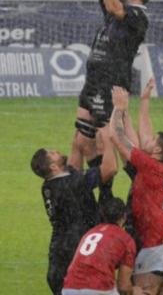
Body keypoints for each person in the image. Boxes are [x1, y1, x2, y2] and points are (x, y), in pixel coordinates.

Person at [69, 0, 153, 202]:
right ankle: (92, 201)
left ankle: (142, 188)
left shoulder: (137, 15)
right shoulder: (114, 6)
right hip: (93, 83)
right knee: (83, 142)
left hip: (110, 85)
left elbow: (115, 6)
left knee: (108, 141)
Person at [109, 86, 163, 295]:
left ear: (158, 150)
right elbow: (144, 134)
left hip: (156, 242)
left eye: (151, 142)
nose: (145, 142)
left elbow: (116, 136)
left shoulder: (150, 167)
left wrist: (118, 107)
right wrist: (144, 101)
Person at [31, 126, 118, 295]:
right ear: (54, 167)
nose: (56, 150)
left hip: (59, 263)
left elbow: (73, 165)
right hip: (74, 266)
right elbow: (110, 168)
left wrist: (78, 137)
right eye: (52, 153)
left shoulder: (49, 185)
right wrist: (108, 139)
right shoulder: (73, 184)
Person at [62, 198, 149, 295]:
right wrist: (134, 291)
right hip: (98, 289)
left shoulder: (90, 232)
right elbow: (123, 287)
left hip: (69, 288)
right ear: (124, 216)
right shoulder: (126, 240)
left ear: (103, 215)